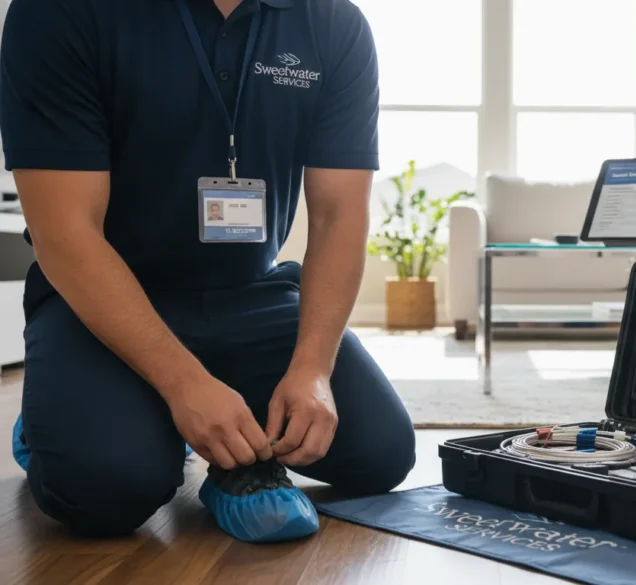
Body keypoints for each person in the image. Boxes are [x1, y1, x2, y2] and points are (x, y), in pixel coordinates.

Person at [0, 0, 415, 540]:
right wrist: (184, 386)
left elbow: (339, 217)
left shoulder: (334, 23)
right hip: (101, 304)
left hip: (252, 293)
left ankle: (227, 452)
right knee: (106, 490)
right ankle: (49, 423)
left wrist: (313, 369)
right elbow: (66, 232)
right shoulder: (59, 12)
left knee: (379, 453)